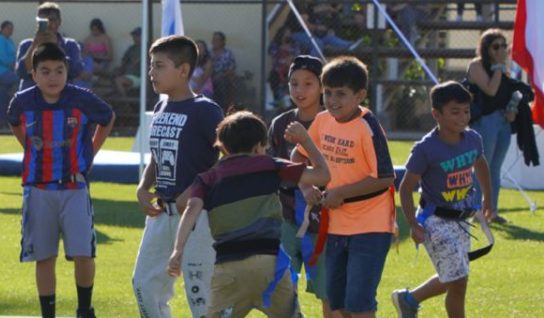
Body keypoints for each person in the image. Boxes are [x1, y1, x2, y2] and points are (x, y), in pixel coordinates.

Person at [168, 111, 329, 317]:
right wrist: (306, 140)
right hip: (270, 267)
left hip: (228, 268)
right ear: (258, 147)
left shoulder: (208, 178)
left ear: (223, 147)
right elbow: (323, 175)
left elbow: (190, 208)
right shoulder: (269, 165)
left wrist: (178, 250)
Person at [7, 42, 114, 318]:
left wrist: (92, 149)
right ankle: (48, 313)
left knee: (84, 253)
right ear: (34, 75)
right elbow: (13, 121)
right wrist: (30, 147)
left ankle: (84, 308)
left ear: (68, 72)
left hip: (75, 186)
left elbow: (108, 117)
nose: (52, 77)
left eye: (59, 70)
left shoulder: (81, 98)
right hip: (38, 188)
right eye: (45, 71)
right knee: (44, 257)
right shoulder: (22, 101)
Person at [293, 56, 396, 318]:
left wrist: (340, 193)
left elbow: (385, 177)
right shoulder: (323, 120)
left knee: (359, 302)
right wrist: (307, 189)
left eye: (341, 94)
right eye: (328, 92)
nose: (333, 100)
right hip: (336, 226)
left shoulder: (367, 125)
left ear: (360, 95)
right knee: (337, 302)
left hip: (370, 226)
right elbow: (298, 156)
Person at [132, 35, 223, 318]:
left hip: (198, 217)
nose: (152, 73)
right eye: (151, 65)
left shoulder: (205, 110)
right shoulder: (160, 108)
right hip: (162, 214)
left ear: (183, 70)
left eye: (159, 66)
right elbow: (159, 156)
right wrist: (143, 186)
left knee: (201, 295)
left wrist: (195, 188)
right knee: (144, 286)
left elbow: (229, 160)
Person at [392, 81, 494, 318]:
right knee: (458, 281)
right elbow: (406, 189)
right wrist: (413, 223)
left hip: (462, 220)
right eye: (455, 112)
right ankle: (410, 299)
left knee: (458, 278)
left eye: (466, 111)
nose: (463, 117)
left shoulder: (473, 139)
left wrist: (488, 197)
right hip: (434, 220)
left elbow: (481, 164)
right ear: (436, 114)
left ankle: (409, 299)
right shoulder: (426, 149)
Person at [268, 55, 336, 317]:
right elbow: (274, 168)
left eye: (308, 83)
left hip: (327, 221)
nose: (299, 90)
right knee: (282, 286)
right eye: (293, 83)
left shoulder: (334, 122)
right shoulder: (280, 124)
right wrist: (302, 186)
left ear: (322, 87)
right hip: (286, 217)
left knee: (328, 291)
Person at [466, 29, 515, 224]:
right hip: (484, 122)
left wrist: (513, 110)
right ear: (486, 48)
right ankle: (477, 210)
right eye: (496, 46)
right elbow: (491, 90)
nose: (501, 50)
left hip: (502, 121)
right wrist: (498, 67)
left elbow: (505, 93)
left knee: (495, 169)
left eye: (504, 45)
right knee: (481, 168)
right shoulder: (477, 66)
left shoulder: (503, 67)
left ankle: (491, 212)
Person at [16, 2, 84, 91]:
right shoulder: (26, 45)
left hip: (62, 96)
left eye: (51, 20)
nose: (48, 25)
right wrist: (35, 45)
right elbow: (21, 73)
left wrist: (56, 46)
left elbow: (75, 71)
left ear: (59, 22)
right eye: (43, 21)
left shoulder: (70, 45)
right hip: (32, 97)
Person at [0, 20, 17, 126]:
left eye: (12, 28)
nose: (10, 30)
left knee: (3, 93)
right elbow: (3, 59)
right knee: (21, 79)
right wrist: (15, 68)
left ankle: (1, 120)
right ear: (2, 29)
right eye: (8, 28)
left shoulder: (9, 40)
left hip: (9, 72)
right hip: (1, 72)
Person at [209, 31, 238, 110]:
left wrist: (221, 75)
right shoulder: (208, 53)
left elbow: (232, 69)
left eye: (217, 40)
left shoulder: (228, 53)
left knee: (220, 81)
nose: (214, 42)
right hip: (208, 77)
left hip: (223, 77)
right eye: (213, 39)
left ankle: (221, 107)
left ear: (223, 41)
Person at [113, 27, 144, 98]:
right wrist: (120, 69)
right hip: (128, 75)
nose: (134, 37)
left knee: (118, 81)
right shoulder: (131, 49)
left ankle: (126, 104)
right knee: (115, 77)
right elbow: (123, 61)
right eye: (134, 36)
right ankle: (125, 103)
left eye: (137, 35)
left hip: (140, 77)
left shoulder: (148, 48)